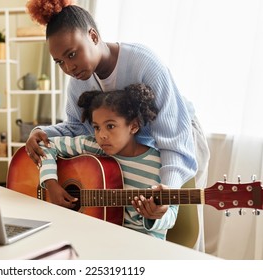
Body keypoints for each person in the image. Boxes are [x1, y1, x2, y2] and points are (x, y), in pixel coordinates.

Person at [24, 0, 210, 251]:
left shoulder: (145, 64)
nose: (68, 68)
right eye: (60, 62)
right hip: (129, 148)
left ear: (93, 35)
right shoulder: (79, 80)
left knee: (183, 232)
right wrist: (41, 132)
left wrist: (166, 189)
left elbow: (173, 140)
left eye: (71, 54)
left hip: (179, 140)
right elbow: (77, 128)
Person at [38, 83, 177, 240]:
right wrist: (51, 184)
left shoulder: (160, 165)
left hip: (142, 245)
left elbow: (171, 217)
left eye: (110, 126)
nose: (102, 135)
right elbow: (45, 145)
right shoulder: (94, 146)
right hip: (96, 237)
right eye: (97, 127)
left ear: (133, 126)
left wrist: (156, 214)